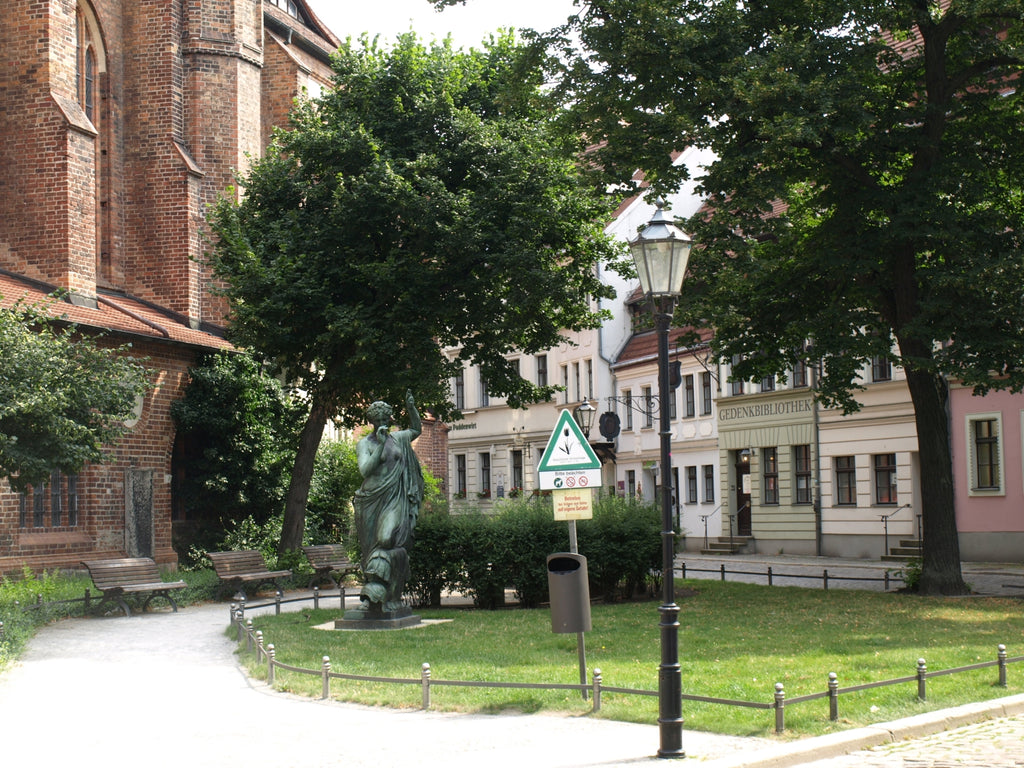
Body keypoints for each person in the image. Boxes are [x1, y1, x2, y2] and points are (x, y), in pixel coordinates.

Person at [353, 390, 423, 614]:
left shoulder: (399, 438)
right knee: (369, 549)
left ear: (390, 420)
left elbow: (416, 430)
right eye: (378, 420)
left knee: (386, 538)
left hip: (394, 497)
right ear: (372, 422)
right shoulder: (365, 443)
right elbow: (365, 470)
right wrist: (381, 445)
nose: (382, 423)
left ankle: (383, 591)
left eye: (386, 419)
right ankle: (376, 595)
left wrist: (411, 408)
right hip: (371, 500)